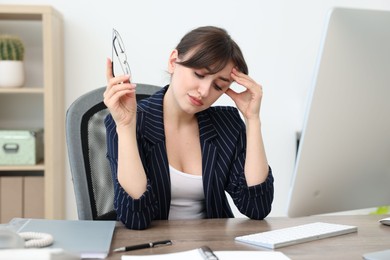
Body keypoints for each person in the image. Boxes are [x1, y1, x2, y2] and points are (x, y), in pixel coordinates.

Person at [104, 26, 274, 230]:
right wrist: (125, 127)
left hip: (213, 246)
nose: (204, 91)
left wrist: (253, 119)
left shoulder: (226, 125)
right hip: (153, 249)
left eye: (218, 86)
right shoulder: (129, 122)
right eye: (200, 75)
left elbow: (257, 207)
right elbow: (136, 218)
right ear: (174, 61)